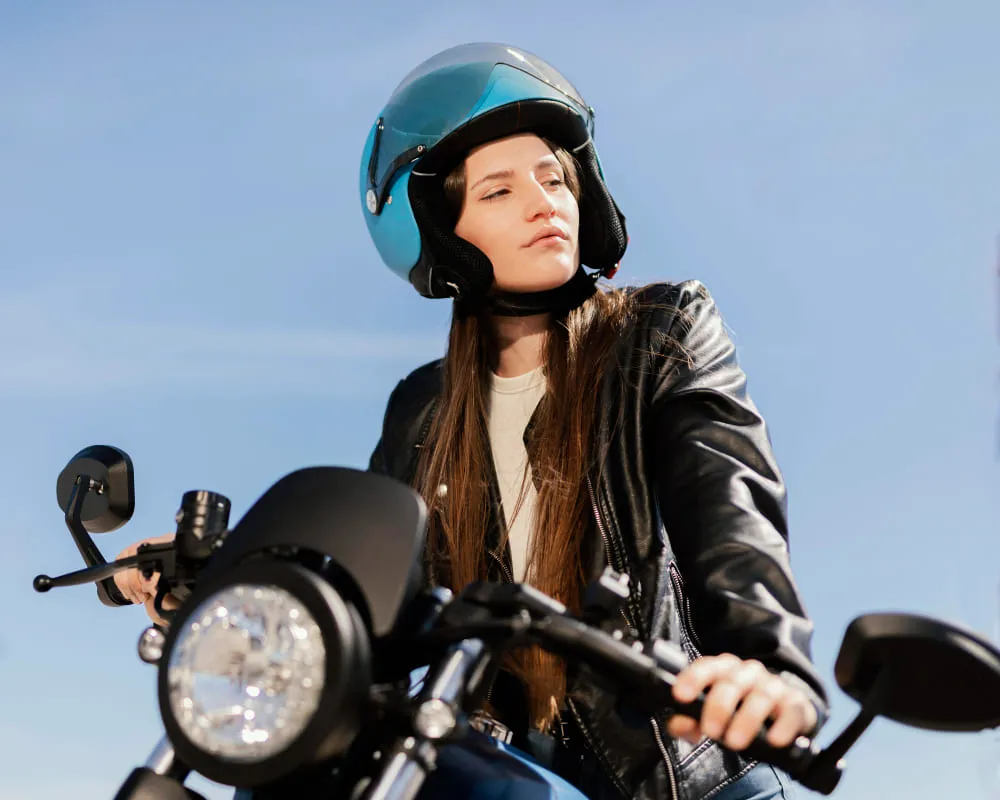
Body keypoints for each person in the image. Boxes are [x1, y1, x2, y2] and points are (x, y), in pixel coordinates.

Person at [116, 43, 828, 800]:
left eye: (554, 176)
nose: (543, 200)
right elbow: (376, 588)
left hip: (679, 770)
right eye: (498, 191)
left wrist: (765, 663)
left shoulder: (660, 333)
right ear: (443, 231)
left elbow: (731, 507)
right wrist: (213, 575)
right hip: (498, 763)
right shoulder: (422, 410)